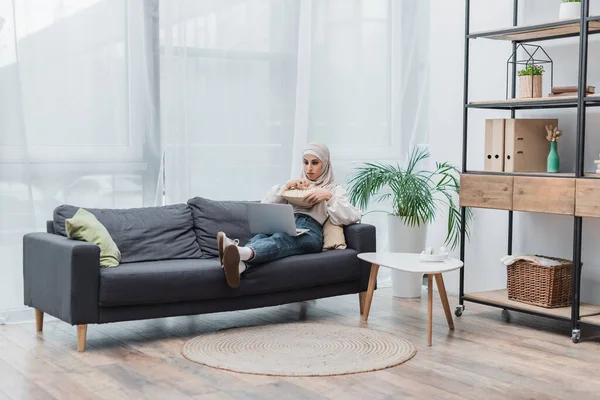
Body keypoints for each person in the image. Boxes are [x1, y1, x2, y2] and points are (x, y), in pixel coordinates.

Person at [217, 142, 361, 288]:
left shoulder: (334, 190)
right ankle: (241, 265)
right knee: (261, 236)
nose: (309, 168)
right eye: (305, 162)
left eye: (315, 163)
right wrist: (285, 188)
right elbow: (265, 203)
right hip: (286, 223)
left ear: (325, 164)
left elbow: (352, 216)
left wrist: (329, 197)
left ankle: (241, 253)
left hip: (311, 232)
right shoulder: (295, 185)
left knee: (281, 239)